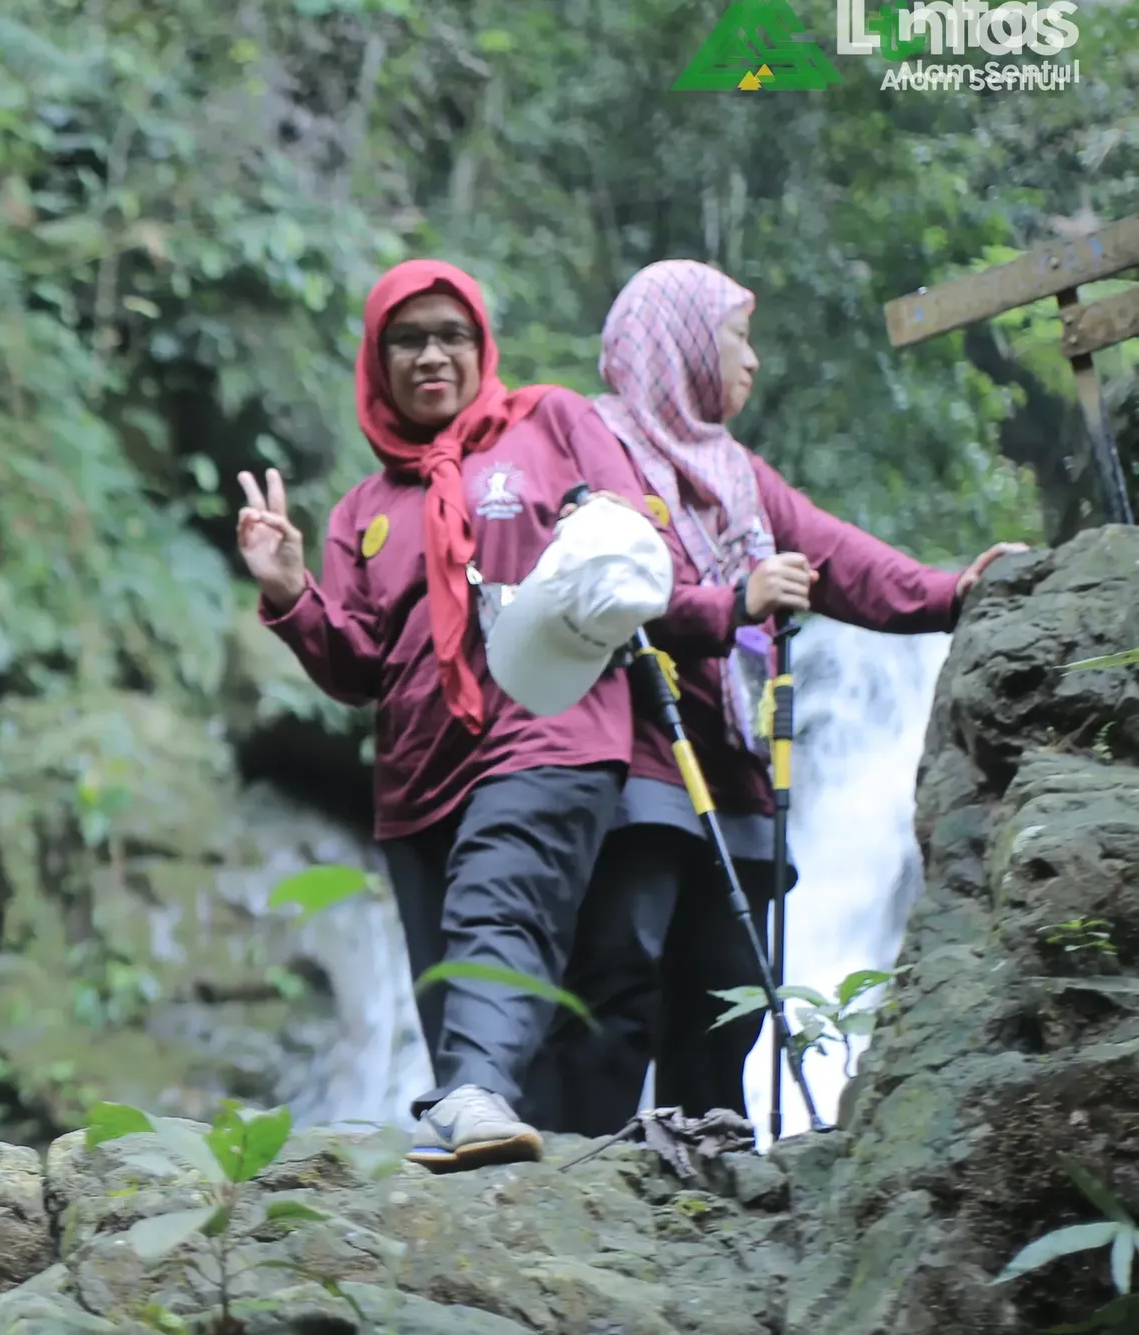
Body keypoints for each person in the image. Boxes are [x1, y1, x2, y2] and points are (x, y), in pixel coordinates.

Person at [521, 258, 1027, 1136]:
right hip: (638, 758)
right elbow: (610, 587)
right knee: (618, 969)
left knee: (731, 989)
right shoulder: (590, 441)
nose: (752, 361)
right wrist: (734, 601)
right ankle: (576, 1171)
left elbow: (839, 559)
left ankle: (710, 1179)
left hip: (737, 766)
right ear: (677, 345)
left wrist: (952, 592)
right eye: (735, 338)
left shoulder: (740, 473)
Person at [236, 258, 649, 1173]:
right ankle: (534, 1183)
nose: (432, 355)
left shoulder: (551, 421)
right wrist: (292, 591)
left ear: (482, 346)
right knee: (461, 1005)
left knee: (497, 916)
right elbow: (355, 668)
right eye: (408, 339)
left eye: (451, 335)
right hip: (419, 780)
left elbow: (629, 543)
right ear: (376, 363)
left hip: (548, 732)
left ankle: (473, 1102)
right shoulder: (361, 512)